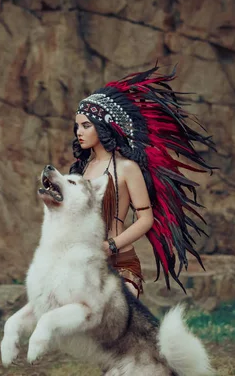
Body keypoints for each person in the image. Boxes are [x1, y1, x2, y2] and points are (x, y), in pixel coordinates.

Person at [69, 64, 216, 299]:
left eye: (86, 125)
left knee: (117, 325)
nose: (79, 131)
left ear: (104, 126)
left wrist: (111, 246)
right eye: (77, 125)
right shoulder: (82, 169)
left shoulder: (127, 167)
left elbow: (146, 218)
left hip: (120, 262)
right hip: (83, 262)